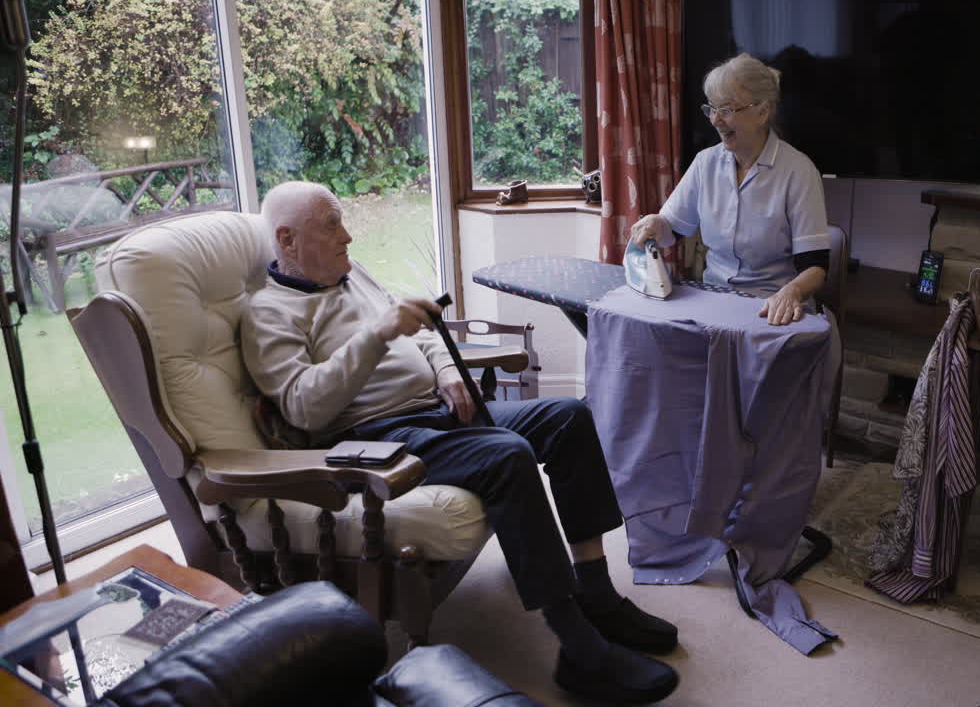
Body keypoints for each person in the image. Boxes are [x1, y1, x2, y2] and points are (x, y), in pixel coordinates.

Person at [240, 181, 679, 705]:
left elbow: (422, 330)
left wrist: (447, 367)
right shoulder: (269, 314)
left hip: (437, 410)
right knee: (505, 455)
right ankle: (578, 648)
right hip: (373, 437)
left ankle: (597, 594)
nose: (348, 236)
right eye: (331, 224)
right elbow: (305, 407)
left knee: (570, 418)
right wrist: (376, 335)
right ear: (287, 241)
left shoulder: (351, 276)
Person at [630, 52, 830, 326]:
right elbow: (672, 229)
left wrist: (792, 292)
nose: (714, 120)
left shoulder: (799, 171)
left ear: (762, 112)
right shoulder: (705, 163)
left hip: (771, 307)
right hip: (715, 300)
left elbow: (816, 268)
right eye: (711, 109)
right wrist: (656, 224)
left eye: (726, 110)